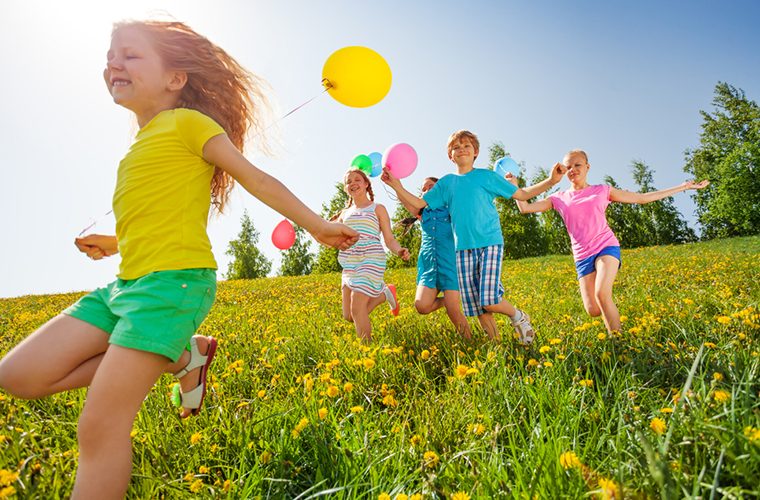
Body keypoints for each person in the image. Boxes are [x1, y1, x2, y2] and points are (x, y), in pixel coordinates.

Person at [0, 20, 357, 499]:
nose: (113, 62)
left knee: (99, 427)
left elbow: (256, 179)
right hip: (124, 286)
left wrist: (316, 225)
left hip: (172, 285)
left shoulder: (190, 124)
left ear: (175, 79)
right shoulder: (136, 147)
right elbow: (155, 217)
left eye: (130, 54)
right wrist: (114, 242)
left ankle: (174, 352)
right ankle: (182, 354)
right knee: (17, 375)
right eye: (110, 54)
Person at [382, 130, 566, 343]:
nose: (461, 150)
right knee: (478, 306)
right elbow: (419, 204)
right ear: (450, 155)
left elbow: (522, 195)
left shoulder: (486, 177)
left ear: (475, 152)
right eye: (456, 147)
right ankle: (495, 344)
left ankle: (519, 316)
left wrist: (551, 181)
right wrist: (395, 184)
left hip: (489, 242)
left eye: (466, 146)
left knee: (488, 299)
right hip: (462, 249)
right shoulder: (446, 183)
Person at [514, 149, 709, 333]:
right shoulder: (559, 197)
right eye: (568, 167)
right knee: (593, 310)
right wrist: (513, 187)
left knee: (602, 294)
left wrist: (684, 187)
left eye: (578, 165)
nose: (573, 170)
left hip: (605, 246)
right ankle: (611, 315)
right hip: (582, 256)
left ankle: (618, 343)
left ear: (587, 167)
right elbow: (525, 208)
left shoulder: (602, 190)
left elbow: (641, 198)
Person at [337, 168, 410, 342]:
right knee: (348, 315)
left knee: (357, 307)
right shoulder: (343, 214)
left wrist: (399, 250)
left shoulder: (377, 209)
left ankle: (367, 352)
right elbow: (331, 235)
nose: (353, 183)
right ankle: (385, 294)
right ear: (346, 188)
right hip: (350, 262)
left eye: (357, 180)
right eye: (349, 182)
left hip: (370, 258)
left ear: (366, 184)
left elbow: (389, 239)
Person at [395, 177, 472, 340]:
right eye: (424, 188)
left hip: (449, 265)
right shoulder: (422, 213)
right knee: (421, 306)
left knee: (453, 311)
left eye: (431, 186)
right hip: (429, 266)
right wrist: (394, 183)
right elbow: (405, 199)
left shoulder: (451, 210)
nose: (427, 189)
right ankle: (452, 300)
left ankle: (470, 341)